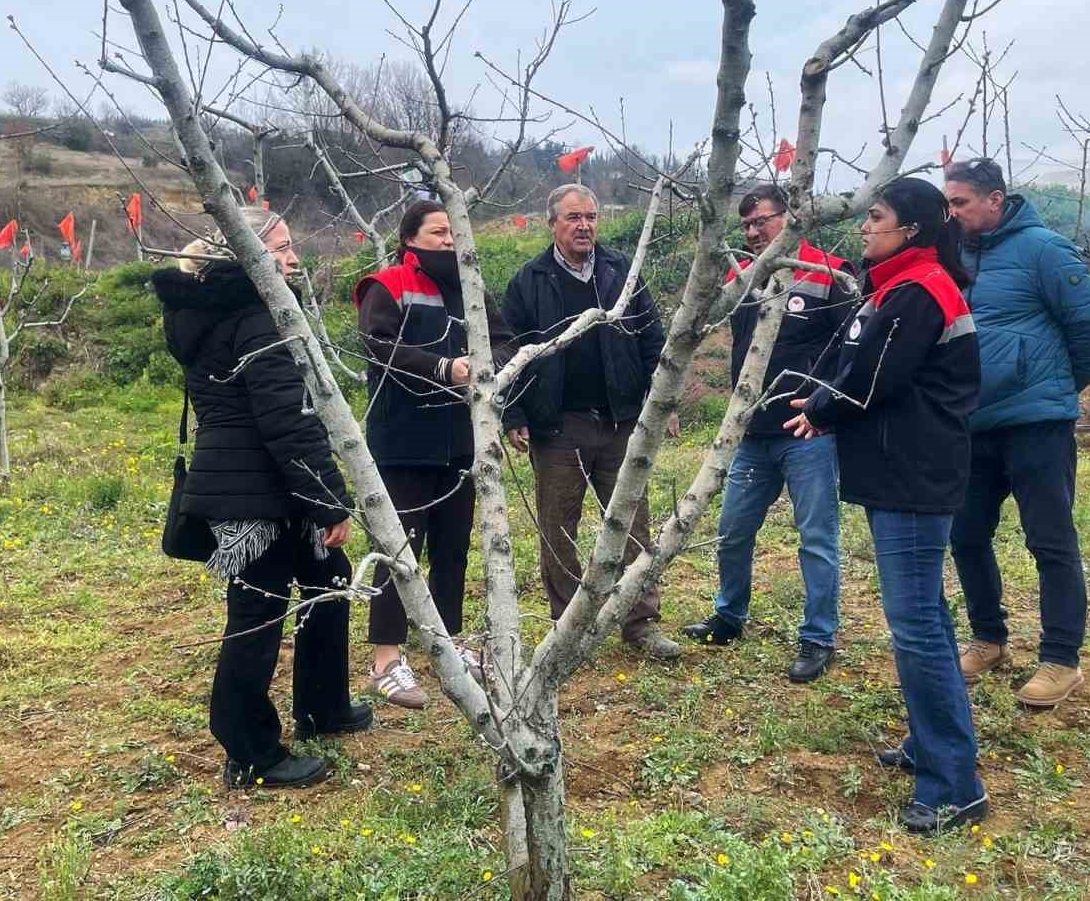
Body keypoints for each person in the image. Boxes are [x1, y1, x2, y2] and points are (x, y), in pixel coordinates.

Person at [785, 176, 985, 834]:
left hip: (913, 477)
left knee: (918, 626)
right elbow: (859, 365)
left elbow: (875, 379)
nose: (865, 227)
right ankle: (934, 746)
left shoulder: (920, 291)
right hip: (903, 472)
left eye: (877, 217)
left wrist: (821, 408)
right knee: (925, 616)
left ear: (914, 230)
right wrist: (822, 403)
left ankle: (955, 784)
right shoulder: (896, 289)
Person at [152, 207, 372, 791]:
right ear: (244, 256)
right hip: (257, 490)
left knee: (329, 581)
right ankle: (249, 752)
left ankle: (323, 707)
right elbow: (288, 419)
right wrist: (330, 501)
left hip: (264, 482)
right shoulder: (254, 316)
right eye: (279, 248)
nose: (293, 258)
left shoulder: (215, 311)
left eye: (290, 245)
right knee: (257, 615)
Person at [942, 159, 1090, 708]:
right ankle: (989, 639)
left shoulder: (1045, 250)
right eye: (948, 203)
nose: (953, 212)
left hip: (1037, 423)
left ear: (995, 199)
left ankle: (1061, 660)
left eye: (961, 202)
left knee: (1050, 541)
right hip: (972, 424)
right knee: (966, 535)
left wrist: (1052, 386)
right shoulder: (955, 255)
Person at [501, 184, 681, 660]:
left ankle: (640, 625)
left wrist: (663, 400)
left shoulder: (620, 271)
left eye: (591, 217)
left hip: (622, 422)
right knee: (559, 531)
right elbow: (510, 351)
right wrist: (513, 413)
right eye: (573, 218)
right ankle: (567, 630)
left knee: (633, 525)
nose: (585, 226)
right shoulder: (528, 281)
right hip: (558, 428)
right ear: (552, 224)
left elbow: (651, 337)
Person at [682, 184, 853, 683]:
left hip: (807, 434)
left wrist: (825, 408)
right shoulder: (746, 275)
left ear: (791, 217)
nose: (754, 232)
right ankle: (729, 616)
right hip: (752, 433)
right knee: (733, 531)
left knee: (816, 537)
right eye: (748, 225)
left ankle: (818, 637)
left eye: (763, 221)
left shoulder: (831, 274)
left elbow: (852, 354)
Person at [356, 200, 515, 709]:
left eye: (453, 232)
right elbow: (377, 347)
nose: (449, 240)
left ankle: (450, 643)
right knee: (400, 551)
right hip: (403, 442)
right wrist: (444, 368)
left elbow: (506, 340)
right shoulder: (389, 285)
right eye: (438, 232)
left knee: (453, 548)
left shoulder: (471, 286)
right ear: (410, 239)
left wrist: (494, 370)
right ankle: (386, 659)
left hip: (461, 442)